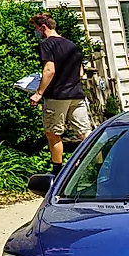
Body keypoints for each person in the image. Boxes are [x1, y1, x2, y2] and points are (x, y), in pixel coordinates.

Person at [30, 13, 86, 166]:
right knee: (85, 134)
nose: (36, 32)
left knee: (53, 134)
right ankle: (99, 167)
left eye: (36, 29)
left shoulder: (46, 44)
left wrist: (38, 93)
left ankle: (57, 171)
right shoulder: (72, 45)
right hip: (77, 95)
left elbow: (49, 70)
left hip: (57, 96)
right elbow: (80, 72)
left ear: (43, 27)